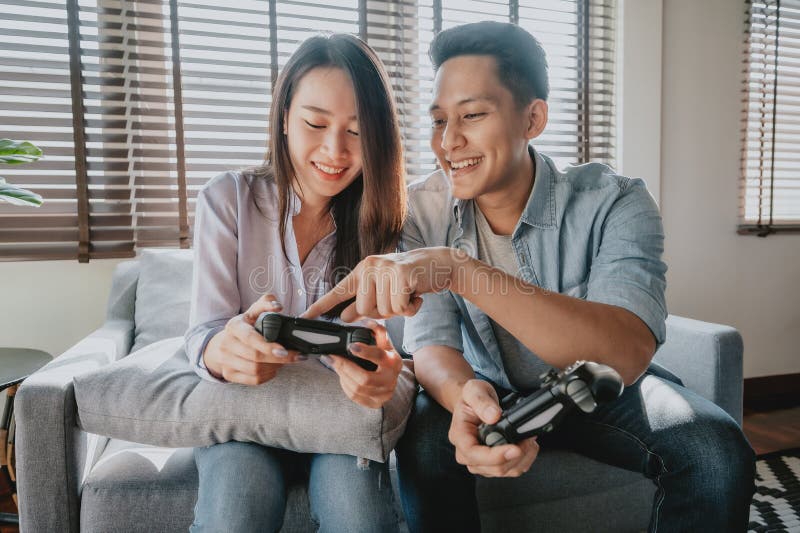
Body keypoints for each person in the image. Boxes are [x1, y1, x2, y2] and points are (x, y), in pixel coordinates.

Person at [304, 21, 756, 532]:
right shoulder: (423, 211)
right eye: (437, 120)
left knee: (716, 450)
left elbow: (625, 355)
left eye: (472, 115)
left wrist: (460, 270)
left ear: (533, 118)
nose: (449, 141)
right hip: (485, 389)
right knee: (427, 439)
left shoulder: (616, 201)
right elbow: (432, 345)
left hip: (599, 393)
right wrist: (464, 397)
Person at [183, 34, 406, 533]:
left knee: (361, 519)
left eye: (357, 130)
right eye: (315, 123)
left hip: (334, 417)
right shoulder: (228, 200)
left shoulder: (387, 224)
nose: (335, 150)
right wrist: (224, 350)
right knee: (232, 516)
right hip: (244, 419)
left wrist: (382, 370)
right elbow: (203, 333)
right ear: (284, 117)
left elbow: (389, 345)